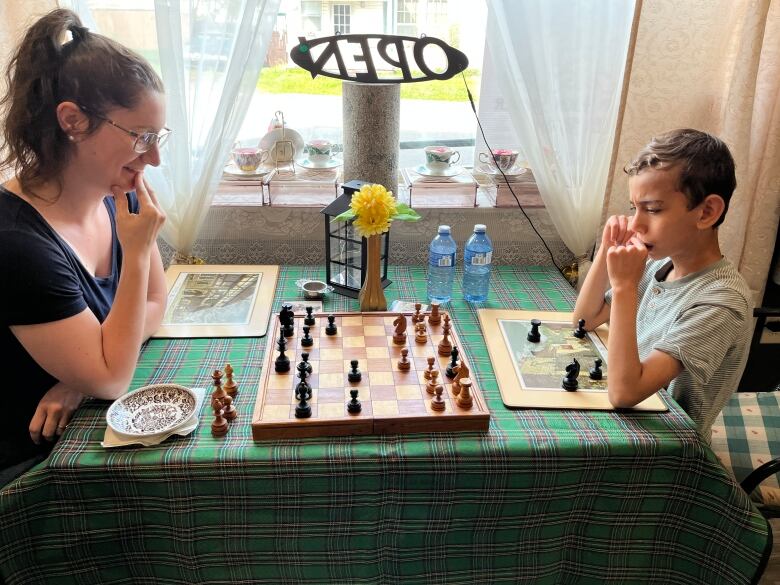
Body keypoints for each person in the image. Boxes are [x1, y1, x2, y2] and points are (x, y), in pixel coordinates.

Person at [0, 9, 168, 483]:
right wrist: (136, 253)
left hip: (80, 427)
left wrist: (79, 379)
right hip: (31, 469)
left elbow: (157, 302)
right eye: (142, 137)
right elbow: (113, 378)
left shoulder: (114, 200)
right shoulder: (17, 245)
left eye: (159, 137)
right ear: (73, 120)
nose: (154, 157)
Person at [574, 129, 753, 439]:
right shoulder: (658, 264)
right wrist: (606, 249)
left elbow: (624, 393)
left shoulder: (722, 302)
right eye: (634, 208)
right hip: (632, 423)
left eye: (653, 209)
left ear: (707, 212)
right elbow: (584, 320)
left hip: (670, 449)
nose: (635, 224)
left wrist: (624, 287)